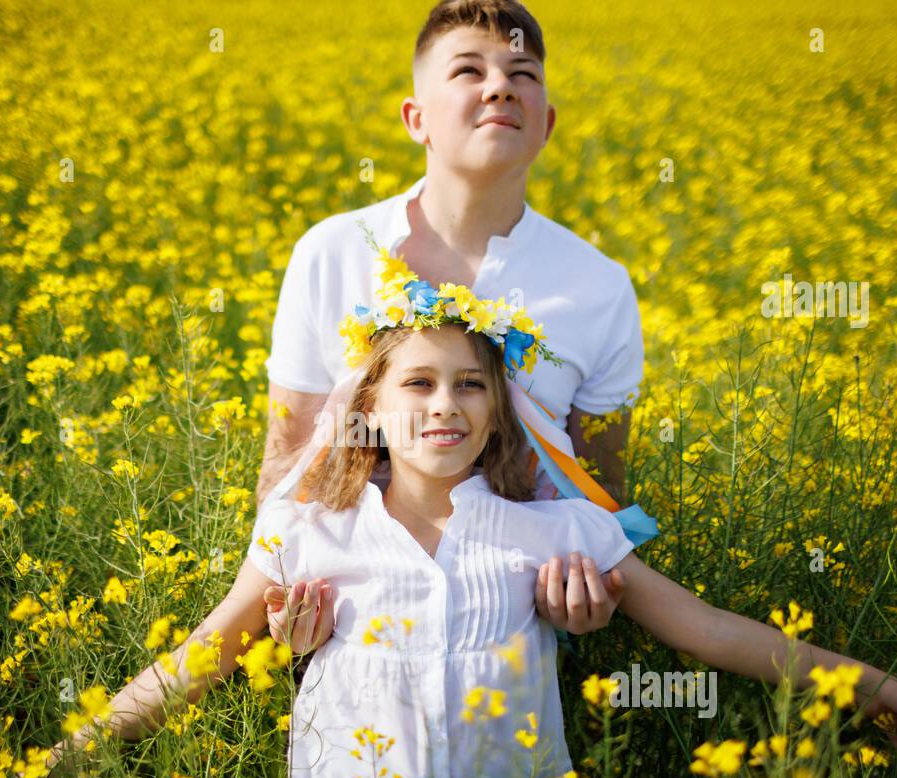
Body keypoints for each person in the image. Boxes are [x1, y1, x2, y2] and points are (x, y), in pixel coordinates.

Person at [16, 289, 897, 778]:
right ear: (369, 406)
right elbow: (204, 653)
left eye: (471, 384)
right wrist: (63, 758)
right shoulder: (308, 529)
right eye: (418, 383)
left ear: (500, 412)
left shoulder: (558, 532)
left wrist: (872, 685)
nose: (446, 404)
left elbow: (704, 629)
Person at [257, 1, 648, 643]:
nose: (500, 87)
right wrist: (278, 607)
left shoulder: (599, 287)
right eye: (469, 70)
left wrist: (590, 598)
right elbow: (288, 459)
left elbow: (601, 489)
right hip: (349, 630)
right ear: (416, 119)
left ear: (546, 124)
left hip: (511, 636)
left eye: (522, 74)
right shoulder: (331, 253)